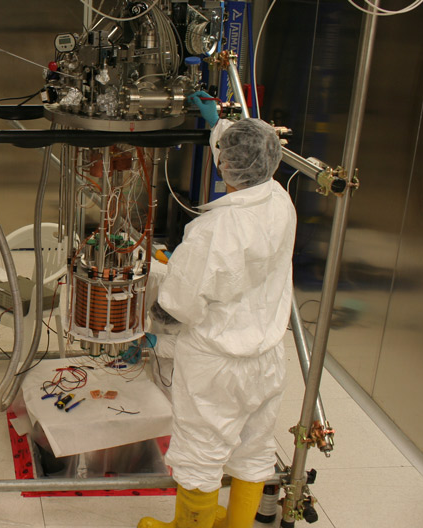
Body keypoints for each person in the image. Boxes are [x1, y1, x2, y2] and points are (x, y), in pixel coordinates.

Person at [138, 93, 296, 528]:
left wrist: (151, 326)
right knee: (254, 449)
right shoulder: (280, 200)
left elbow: (180, 303)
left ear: (227, 166)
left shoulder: (214, 230)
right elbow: (246, 156)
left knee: (200, 453)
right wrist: (217, 126)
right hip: (267, 357)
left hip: (217, 365)